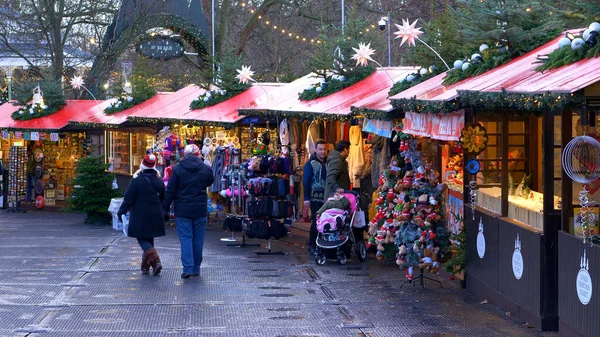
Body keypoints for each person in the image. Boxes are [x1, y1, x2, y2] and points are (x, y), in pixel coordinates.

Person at [162, 144, 214, 278]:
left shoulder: (177, 169)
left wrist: (165, 208)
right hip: (200, 209)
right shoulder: (205, 168)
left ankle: (188, 268)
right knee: (198, 240)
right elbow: (209, 182)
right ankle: (196, 267)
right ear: (198, 154)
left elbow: (171, 190)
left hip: (182, 209)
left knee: (186, 239)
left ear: (184, 154)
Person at [117, 154, 166, 275]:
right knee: (149, 238)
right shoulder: (159, 179)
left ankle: (156, 261)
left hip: (140, 214)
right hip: (155, 214)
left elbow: (128, 198)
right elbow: (163, 198)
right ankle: (146, 266)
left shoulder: (137, 180)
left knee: (142, 238)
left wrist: (121, 211)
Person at [302, 139, 327, 253]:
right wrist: (306, 198)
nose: (322, 152)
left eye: (324, 149)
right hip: (314, 196)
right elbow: (306, 181)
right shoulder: (310, 163)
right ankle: (312, 244)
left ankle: (322, 243)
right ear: (316, 150)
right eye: (320, 149)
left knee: (325, 220)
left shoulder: (327, 162)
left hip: (326, 197)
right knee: (316, 221)